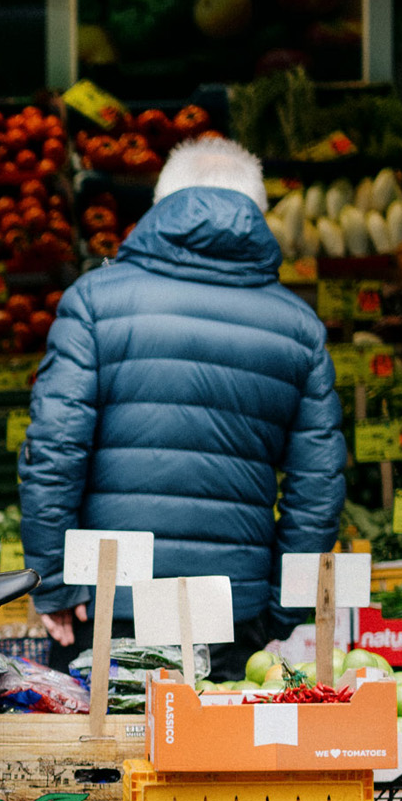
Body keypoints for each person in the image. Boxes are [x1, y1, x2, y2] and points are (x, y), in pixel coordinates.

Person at [19, 135, 345, 678]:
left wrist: (52, 583)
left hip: (107, 605)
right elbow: (318, 489)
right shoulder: (298, 327)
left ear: (161, 204)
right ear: (258, 212)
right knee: (213, 733)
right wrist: (283, 608)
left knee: (104, 735)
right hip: (232, 613)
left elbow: (53, 451)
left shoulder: (94, 301)